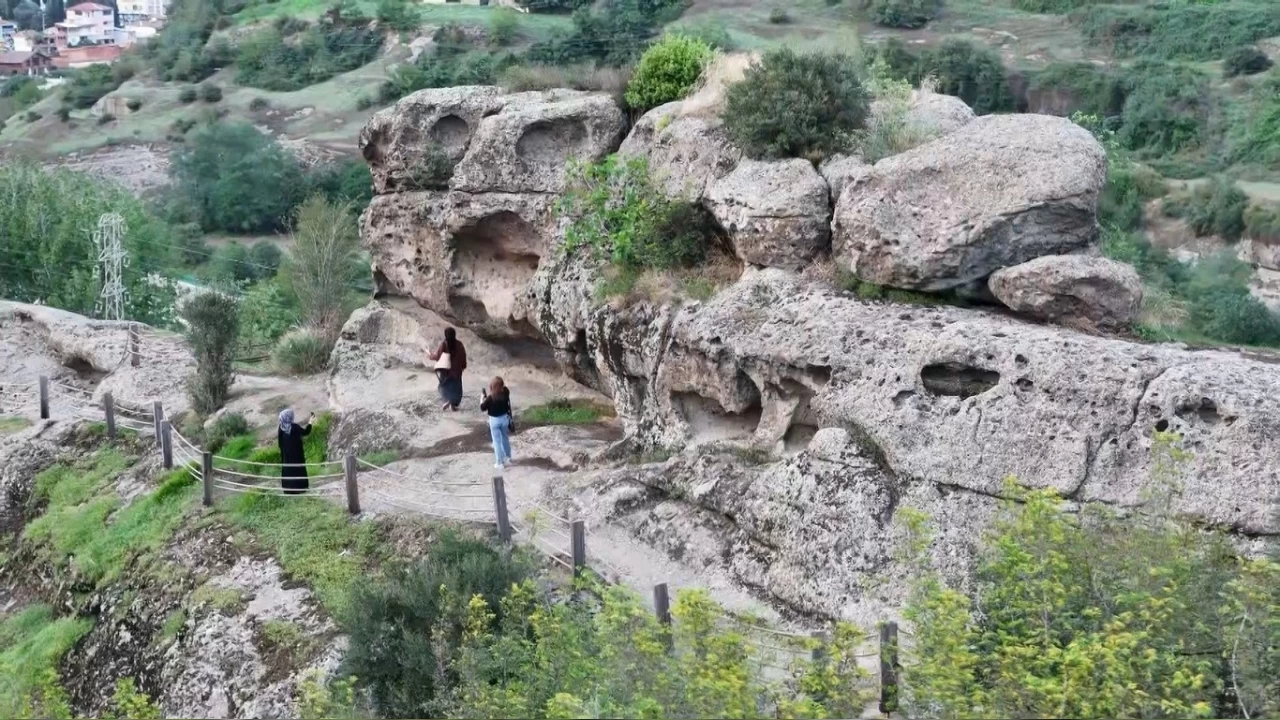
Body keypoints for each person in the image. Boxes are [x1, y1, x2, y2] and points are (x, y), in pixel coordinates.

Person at [428, 327, 467, 412]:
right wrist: (463, 366)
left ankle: (447, 401)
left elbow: (437, 357)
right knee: (456, 388)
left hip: (446, 371)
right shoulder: (459, 344)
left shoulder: (444, 344)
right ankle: (453, 404)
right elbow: (463, 356)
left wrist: (430, 355)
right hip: (457, 372)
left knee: (445, 387)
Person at [277, 408, 313, 494]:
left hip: (287, 457)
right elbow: (306, 432)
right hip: (297, 456)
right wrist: (311, 421)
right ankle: (300, 488)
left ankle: (288, 489)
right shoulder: (295, 427)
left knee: (288, 472)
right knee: (298, 470)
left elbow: (279, 443)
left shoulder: (281, 428)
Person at [480, 377, 513, 470]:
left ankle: (499, 462)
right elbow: (505, 389)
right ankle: (508, 458)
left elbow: (482, 408)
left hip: (494, 421)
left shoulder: (490, 398)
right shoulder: (506, 393)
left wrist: (482, 398)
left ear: (491, 387)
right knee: (505, 438)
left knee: (497, 442)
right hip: (504, 419)